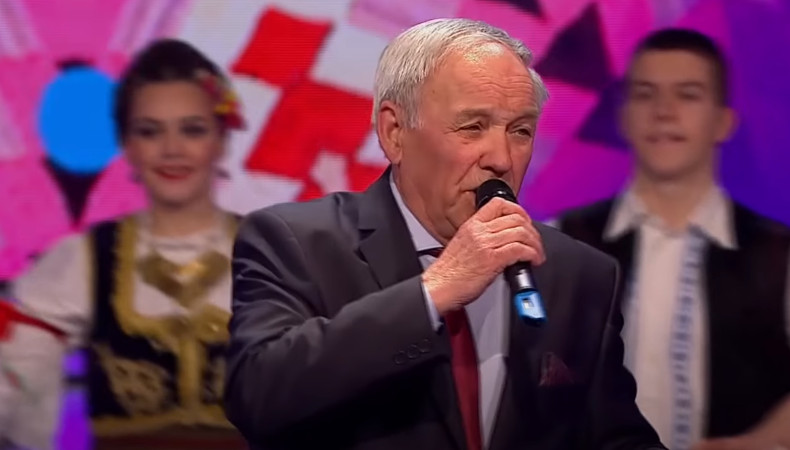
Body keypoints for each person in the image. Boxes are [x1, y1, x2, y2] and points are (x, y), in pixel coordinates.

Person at [226, 18, 663, 450]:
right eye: (473, 126)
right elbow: (260, 398)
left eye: (520, 131)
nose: (501, 158)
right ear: (394, 133)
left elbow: (615, 438)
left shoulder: (578, 273)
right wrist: (434, 292)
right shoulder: (296, 242)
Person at [0, 39, 247, 449]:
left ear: (221, 141)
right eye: (149, 131)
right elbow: (14, 384)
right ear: (127, 147)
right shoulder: (83, 261)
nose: (172, 149)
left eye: (193, 130)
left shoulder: (277, 256)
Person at [554, 28, 790, 450]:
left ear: (723, 121)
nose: (664, 112)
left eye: (688, 94)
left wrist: (754, 443)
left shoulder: (779, 256)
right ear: (624, 117)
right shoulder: (562, 243)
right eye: (646, 94)